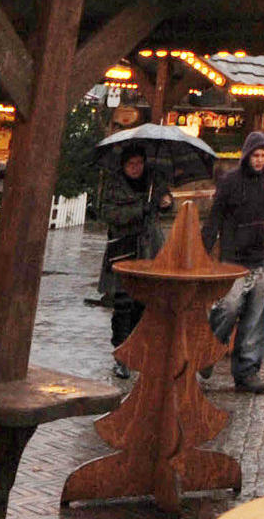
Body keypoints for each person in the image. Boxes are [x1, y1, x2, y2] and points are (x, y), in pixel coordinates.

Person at [202, 131, 264, 394]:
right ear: (247, 156)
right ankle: (206, 352)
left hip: (260, 258)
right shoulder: (230, 181)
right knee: (228, 308)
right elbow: (215, 217)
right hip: (234, 259)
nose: (259, 160)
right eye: (255, 155)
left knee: (254, 317)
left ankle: (247, 373)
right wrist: (204, 248)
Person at [94, 145, 167, 377]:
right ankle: (121, 354)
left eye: (139, 163)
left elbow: (165, 203)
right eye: (131, 164)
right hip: (123, 249)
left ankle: (137, 348)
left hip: (149, 249)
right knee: (123, 303)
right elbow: (108, 213)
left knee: (143, 302)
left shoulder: (153, 182)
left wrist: (165, 202)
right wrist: (138, 210)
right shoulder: (114, 186)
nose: (136, 168)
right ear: (124, 165)